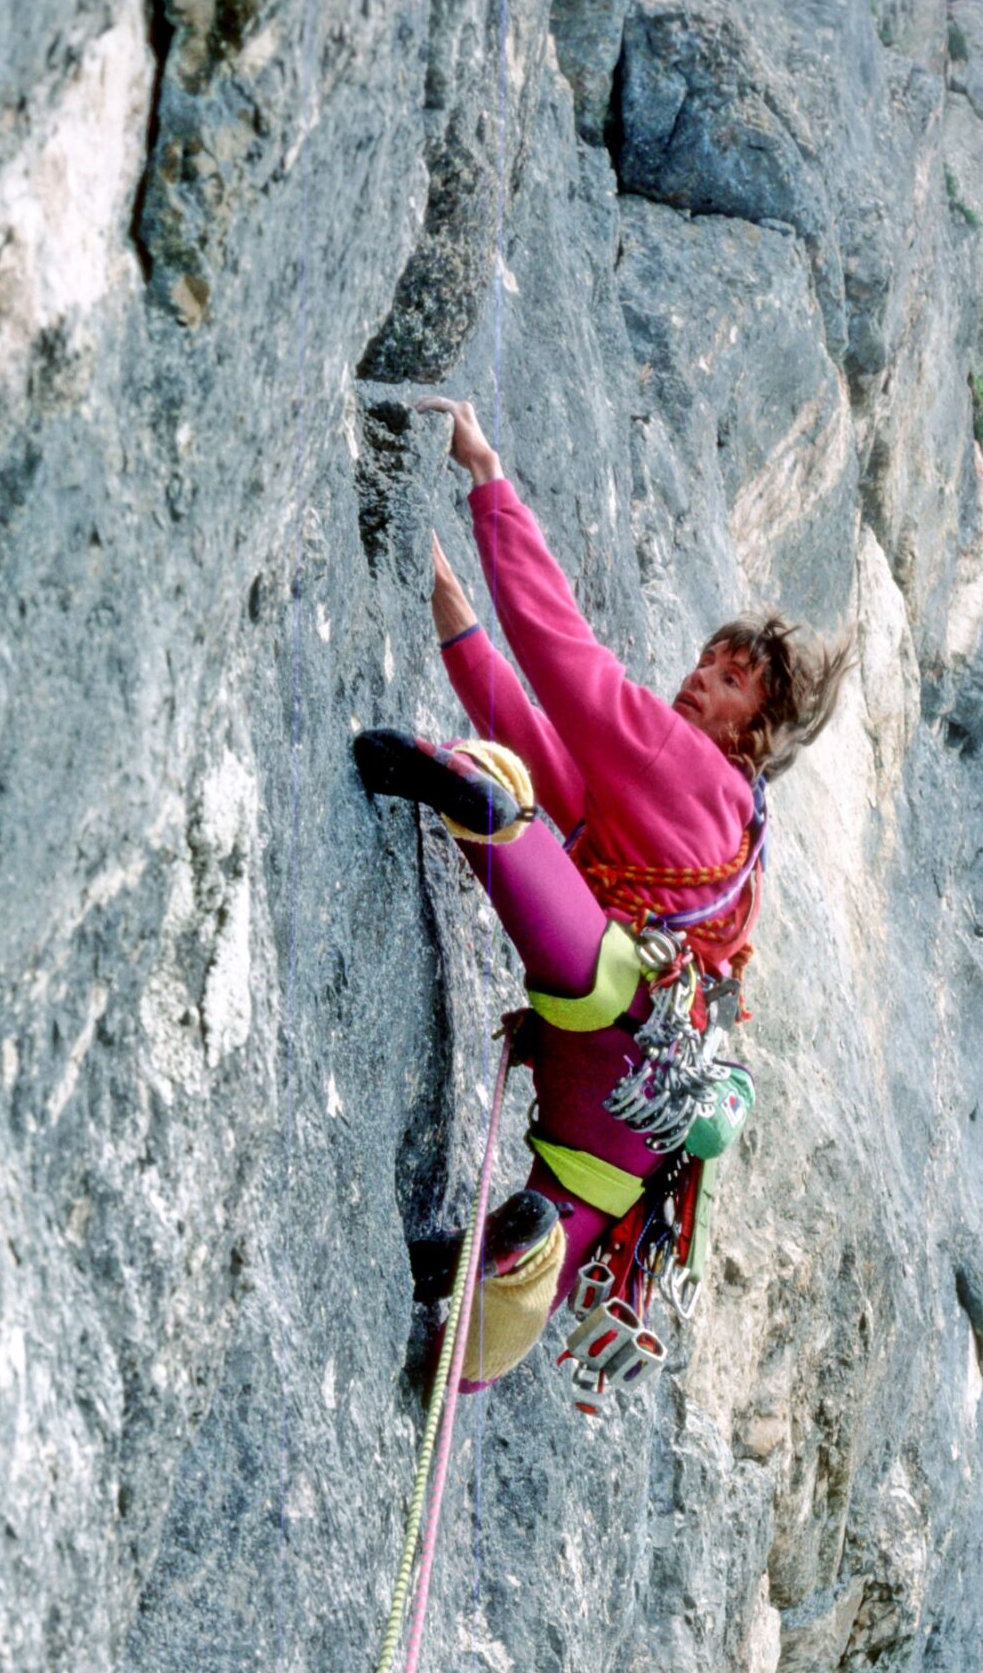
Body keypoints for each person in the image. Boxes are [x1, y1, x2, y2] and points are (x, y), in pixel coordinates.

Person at [354, 397, 850, 1391]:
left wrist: (486, 477)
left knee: (537, 859)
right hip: (626, 1133)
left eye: (733, 678)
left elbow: (561, 654)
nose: (701, 676)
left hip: (612, 997)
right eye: (709, 659)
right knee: (477, 1357)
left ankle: (488, 814)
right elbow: (528, 724)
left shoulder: (692, 769)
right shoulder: (726, 845)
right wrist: (438, 588)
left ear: (758, 730)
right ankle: (514, 1253)